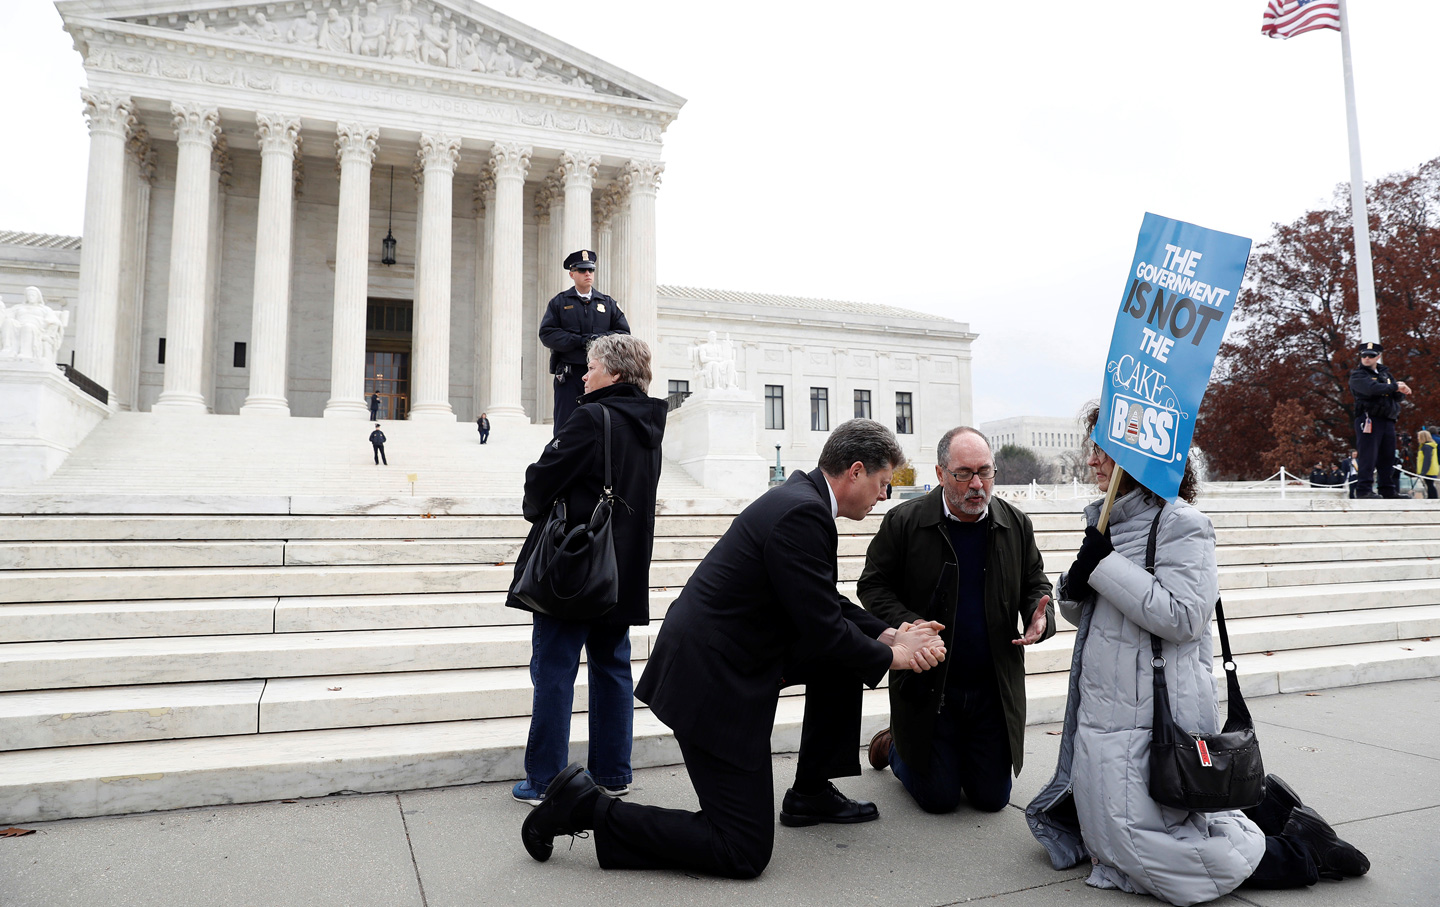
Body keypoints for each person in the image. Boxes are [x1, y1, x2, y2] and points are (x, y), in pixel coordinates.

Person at [519, 420, 947, 879]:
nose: (884, 496)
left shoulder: (802, 501)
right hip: (711, 683)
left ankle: (811, 791)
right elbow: (823, 628)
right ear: (857, 471)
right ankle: (584, 808)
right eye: (884, 484)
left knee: (843, 658)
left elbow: (822, 600)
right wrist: (896, 656)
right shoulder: (802, 514)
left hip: (731, 657)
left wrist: (888, 633)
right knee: (741, 850)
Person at [1026, 402, 1370, 906]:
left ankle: (1301, 853)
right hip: (1111, 714)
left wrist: (1104, 567)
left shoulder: (1181, 522)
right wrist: (1075, 586)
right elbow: (1098, 615)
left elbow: (1185, 618)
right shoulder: (1107, 524)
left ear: (1135, 455)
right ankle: (1270, 807)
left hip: (1151, 717)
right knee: (1121, 842)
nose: (1092, 458)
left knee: (1158, 856)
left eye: (1102, 447)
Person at [506, 335, 667, 805]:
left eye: (591, 366)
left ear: (614, 374)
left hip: (576, 567)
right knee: (612, 667)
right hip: (623, 569)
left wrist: (536, 506)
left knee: (554, 669)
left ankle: (545, 781)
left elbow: (542, 477)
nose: (583, 374)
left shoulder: (592, 416)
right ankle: (613, 774)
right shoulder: (650, 426)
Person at [860, 426, 1054, 814]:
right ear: (940, 473)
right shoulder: (904, 522)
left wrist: (1039, 618)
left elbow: (1036, 584)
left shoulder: (1016, 524)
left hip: (991, 691)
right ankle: (896, 742)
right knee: (939, 800)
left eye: (985, 471)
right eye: (964, 473)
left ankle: (955, 754)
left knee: (991, 800)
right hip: (930, 687)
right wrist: (910, 626)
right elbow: (873, 586)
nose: (977, 484)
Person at [538, 250, 629, 435]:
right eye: (582, 270)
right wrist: (580, 341)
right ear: (572, 274)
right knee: (566, 424)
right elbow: (547, 334)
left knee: (602, 421)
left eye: (591, 270)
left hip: (602, 373)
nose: (587, 274)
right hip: (570, 374)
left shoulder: (608, 303)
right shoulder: (559, 303)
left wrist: (599, 340)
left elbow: (624, 333)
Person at [1350, 341, 1411, 499]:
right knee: (1368, 455)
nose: (1367, 358)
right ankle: (1363, 490)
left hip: (1387, 419)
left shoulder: (1385, 375)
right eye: (1364, 355)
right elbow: (1371, 389)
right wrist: (1395, 387)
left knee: (1387, 456)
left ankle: (1387, 490)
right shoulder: (1359, 375)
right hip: (1369, 418)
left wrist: (1400, 389)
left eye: (1371, 356)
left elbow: (1397, 396)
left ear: (1378, 356)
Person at [1417, 429, 1438, 499]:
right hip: (1432, 469)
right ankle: (1431, 497)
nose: (1418, 438)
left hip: (1428, 470)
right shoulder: (1430, 446)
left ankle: (1432, 497)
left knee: (1430, 484)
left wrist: (1423, 471)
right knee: (1430, 484)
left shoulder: (1426, 447)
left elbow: (1427, 460)